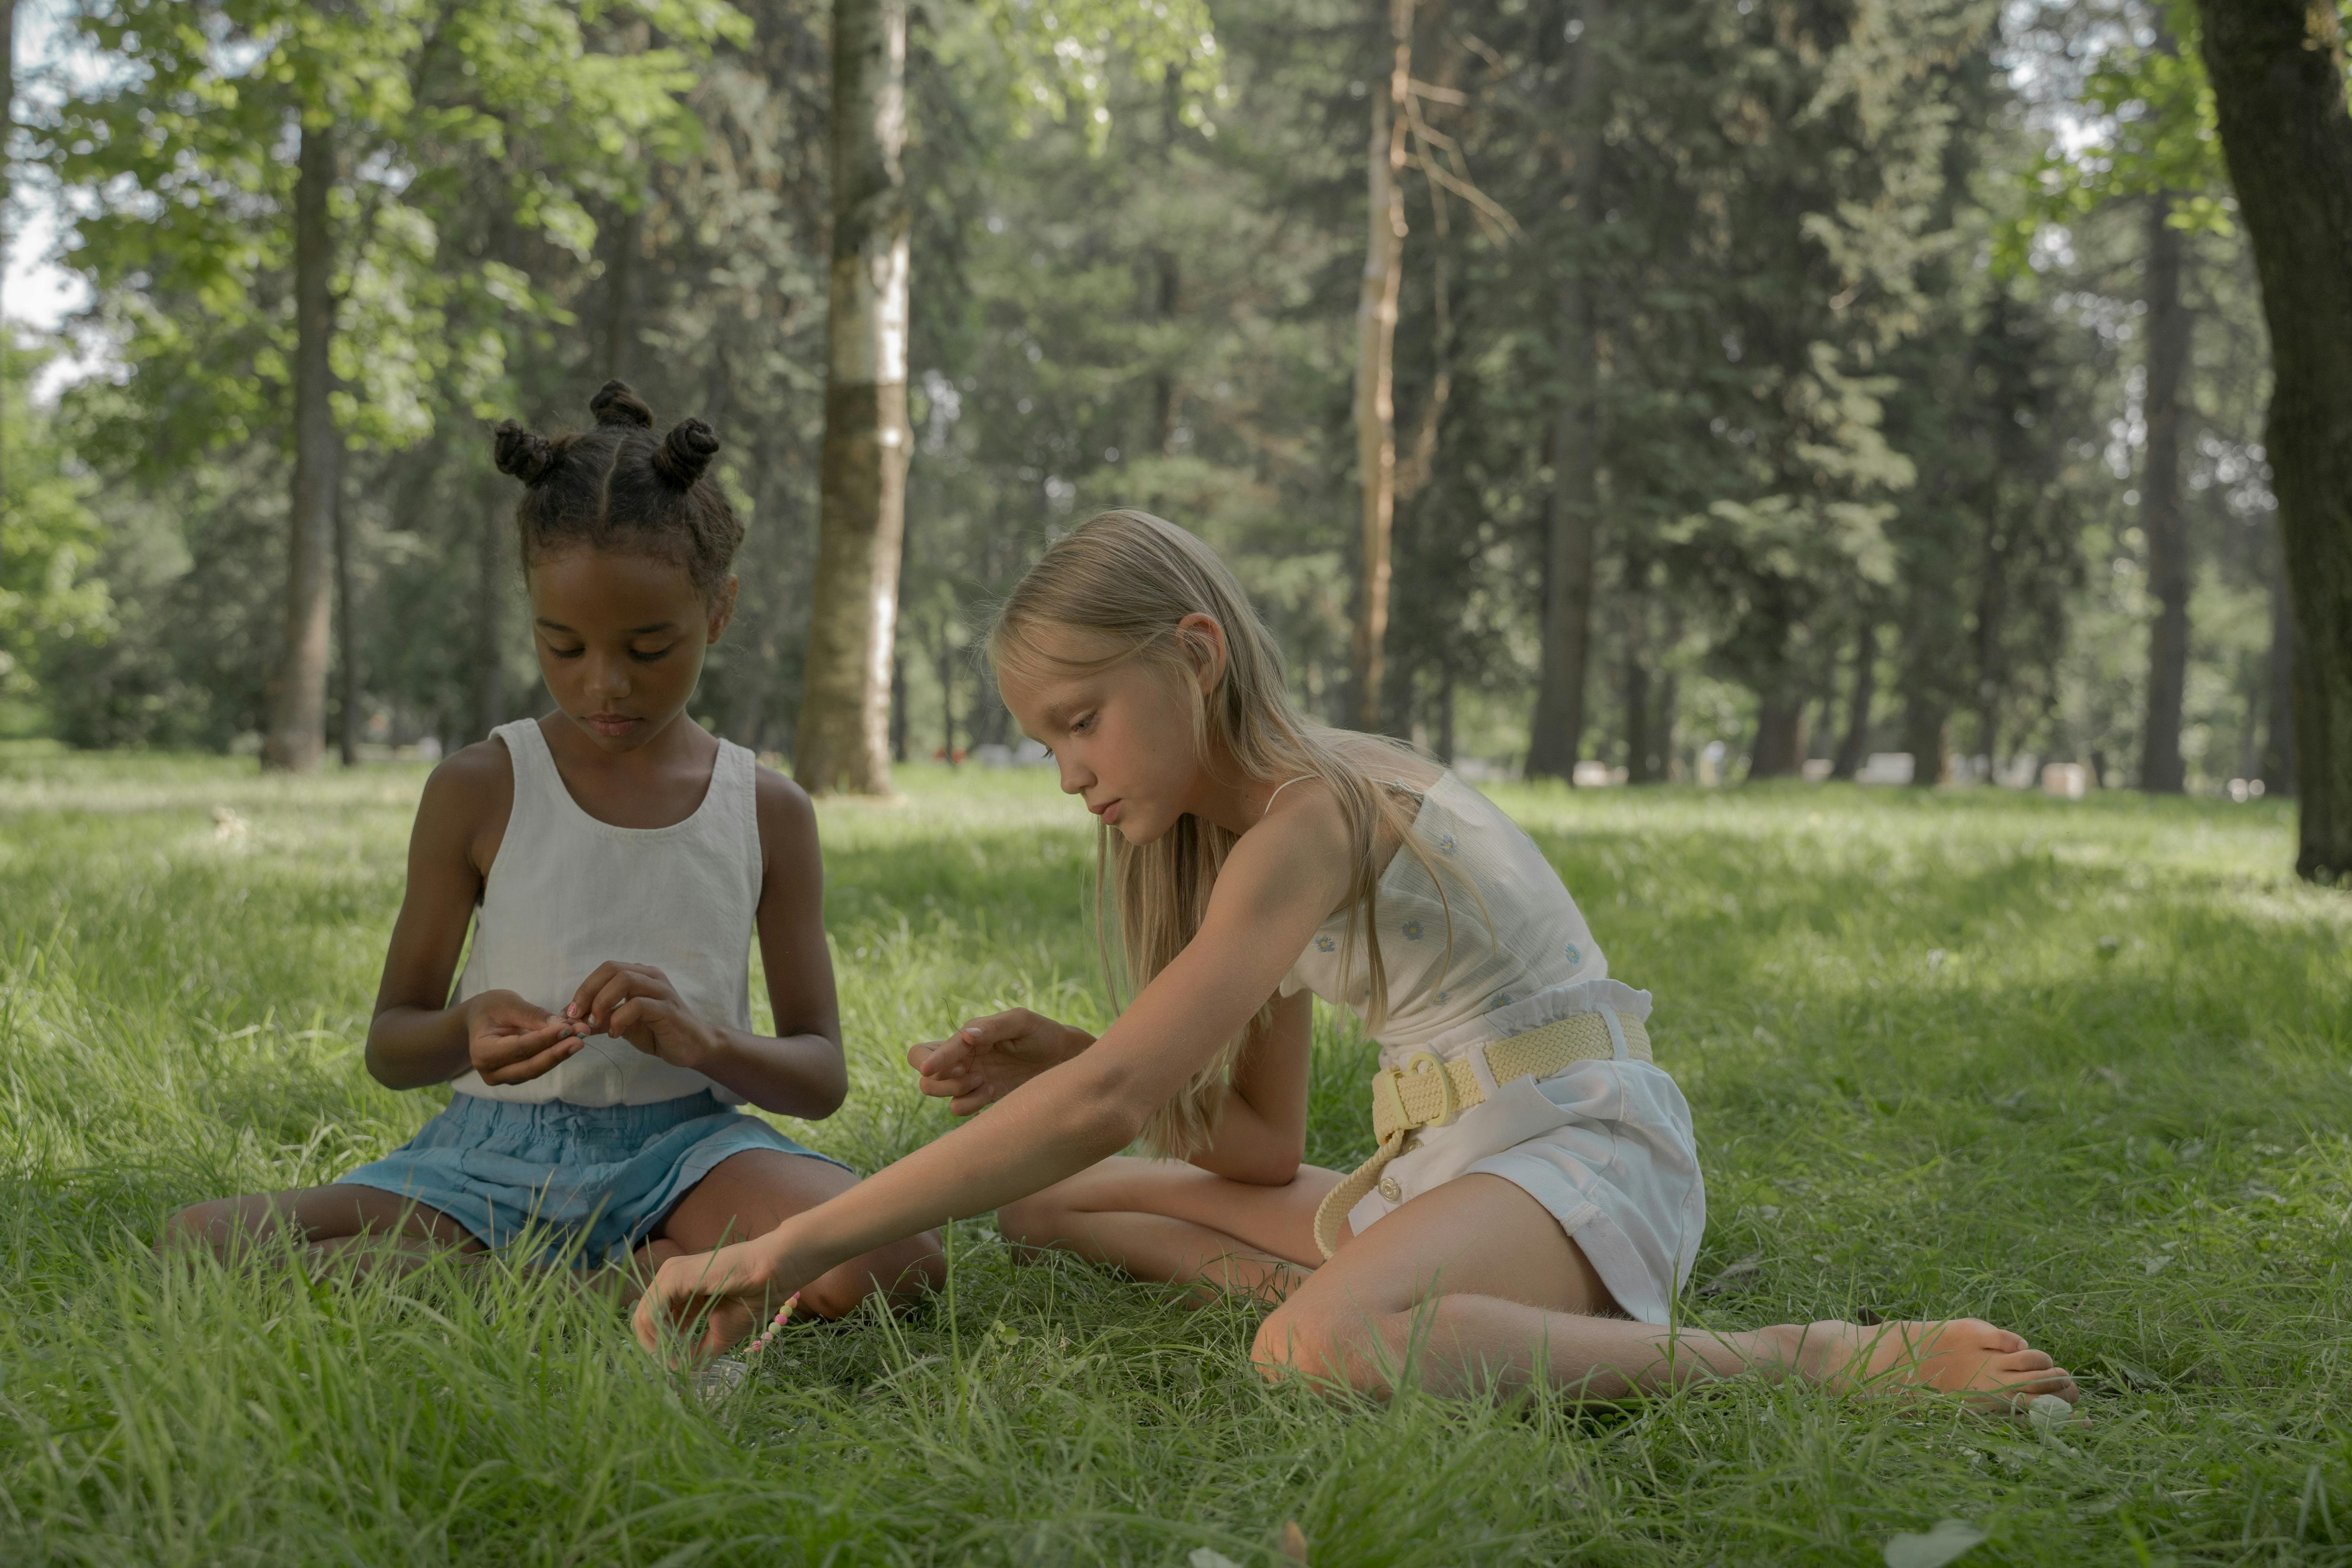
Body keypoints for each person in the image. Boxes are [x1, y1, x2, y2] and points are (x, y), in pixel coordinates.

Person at [635, 509, 2075, 1406]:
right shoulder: (1230, 840)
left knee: (1306, 1354)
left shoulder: (1312, 815)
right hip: (1452, 1165)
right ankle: (1430, 1309)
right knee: (1048, 1210)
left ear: (1194, 652)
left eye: (1082, 718)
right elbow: (1254, 1147)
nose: (1068, 769)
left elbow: (1108, 1104)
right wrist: (1079, 1058)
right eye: (1044, 738)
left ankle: (1813, 1356)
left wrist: (786, 1244)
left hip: (1582, 1154)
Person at [161, 382, 943, 1318]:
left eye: (650, 648)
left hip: (688, 1158)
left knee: (899, 1256)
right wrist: (469, 1023)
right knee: (202, 1239)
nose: (604, 683)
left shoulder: (767, 809)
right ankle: (629, 1288)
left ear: (720, 611)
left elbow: (820, 1074)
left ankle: (514, 1291)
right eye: (562, 645)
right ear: (532, 613)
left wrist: (708, 1040)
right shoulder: (480, 786)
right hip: (489, 1159)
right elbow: (391, 1045)